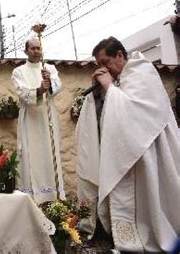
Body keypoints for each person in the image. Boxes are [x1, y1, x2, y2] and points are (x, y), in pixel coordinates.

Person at [76, 37, 180, 252]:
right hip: (132, 152)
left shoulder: (142, 72)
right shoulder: (119, 80)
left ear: (120, 56)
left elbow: (136, 113)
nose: (103, 69)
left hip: (149, 152)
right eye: (99, 65)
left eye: (106, 62)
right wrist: (101, 91)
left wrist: (109, 88)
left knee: (153, 200)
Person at [12, 38, 65, 204]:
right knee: (31, 155)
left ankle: (53, 197)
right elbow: (22, 92)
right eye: (32, 48)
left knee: (50, 153)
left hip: (47, 117)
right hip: (30, 120)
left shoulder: (49, 68)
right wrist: (40, 90)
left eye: (38, 48)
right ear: (26, 51)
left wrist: (50, 83)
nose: (36, 51)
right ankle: (33, 198)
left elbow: (58, 86)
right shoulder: (18, 71)